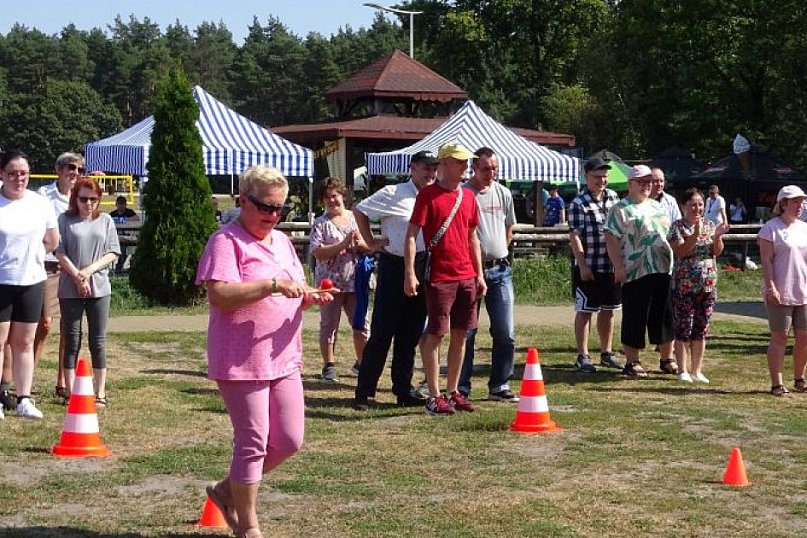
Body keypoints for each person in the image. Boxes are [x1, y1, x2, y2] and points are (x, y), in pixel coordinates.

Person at [196, 165, 334, 538]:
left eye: (280, 209)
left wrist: (309, 296)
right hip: (242, 360)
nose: (273, 216)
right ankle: (248, 526)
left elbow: (295, 287)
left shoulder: (283, 242)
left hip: (283, 357)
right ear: (242, 200)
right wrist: (271, 285)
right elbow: (220, 295)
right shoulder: (225, 241)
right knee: (253, 441)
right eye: (265, 207)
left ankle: (226, 491)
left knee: (289, 440)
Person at [404, 141, 486, 416]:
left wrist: (479, 274)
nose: (466, 167)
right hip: (440, 276)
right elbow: (411, 237)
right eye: (460, 162)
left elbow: (472, 237)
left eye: (466, 162)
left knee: (462, 334)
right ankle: (434, 395)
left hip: (466, 275)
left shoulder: (469, 197)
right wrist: (410, 273)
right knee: (436, 334)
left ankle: (453, 391)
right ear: (446, 163)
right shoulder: (427, 196)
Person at [351, 150, 438, 411]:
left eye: (434, 168)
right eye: (425, 168)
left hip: (423, 265)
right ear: (412, 168)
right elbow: (359, 210)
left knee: (410, 333)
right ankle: (364, 392)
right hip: (394, 264)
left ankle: (403, 389)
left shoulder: (435, 196)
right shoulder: (394, 192)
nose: (430, 173)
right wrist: (370, 242)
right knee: (382, 331)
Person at [0, 150, 59, 419]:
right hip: (2, 281)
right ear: (2, 174)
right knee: (0, 342)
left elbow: (52, 240)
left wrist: (32, 254)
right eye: (12, 173)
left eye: (23, 173)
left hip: (31, 280)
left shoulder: (40, 203)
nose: (18, 178)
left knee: (24, 343)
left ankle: (24, 398)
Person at [459, 147, 518, 402]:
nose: (490, 173)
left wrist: (500, 250)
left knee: (505, 331)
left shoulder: (503, 193)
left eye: (494, 168)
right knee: (467, 331)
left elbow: (509, 227)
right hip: (470, 270)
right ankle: (460, 387)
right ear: (474, 167)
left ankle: (500, 385)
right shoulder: (463, 193)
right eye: (485, 169)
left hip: (500, 269)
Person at [54, 177, 120, 405]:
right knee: (72, 338)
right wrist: (77, 275)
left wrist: (89, 271)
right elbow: (58, 251)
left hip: (99, 287)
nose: (89, 203)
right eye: (84, 199)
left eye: (94, 199)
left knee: (98, 340)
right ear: (75, 199)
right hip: (69, 287)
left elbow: (113, 252)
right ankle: (72, 392)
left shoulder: (106, 220)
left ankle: (100, 392)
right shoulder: (64, 219)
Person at [605, 165, 675, 378]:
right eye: (642, 182)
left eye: (649, 182)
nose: (647, 186)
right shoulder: (620, 208)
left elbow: (670, 233)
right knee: (636, 314)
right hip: (635, 269)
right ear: (630, 184)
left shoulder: (658, 206)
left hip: (662, 267)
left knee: (664, 314)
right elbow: (611, 237)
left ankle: (667, 358)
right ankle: (633, 360)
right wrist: (618, 266)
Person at [310, 177, 370, 382]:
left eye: (334, 196)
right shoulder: (320, 224)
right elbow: (317, 252)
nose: (332, 201)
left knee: (361, 323)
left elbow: (366, 244)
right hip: (330, 283)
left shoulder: (356, 217)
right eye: (327, 197)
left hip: (356, 280)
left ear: (342, 195)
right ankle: (329, 365)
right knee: (329, 324)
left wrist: (362, 244)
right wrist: (342, 244)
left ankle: (362, 363)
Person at [567, 157, 624, 373]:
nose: (601, 180)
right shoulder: (578, 203)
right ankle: (583, 355)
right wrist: (582, 265)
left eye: (604, 177)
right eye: (597, 177)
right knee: (585, 310)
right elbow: (575, 236)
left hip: (611, 265)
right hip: (589, 264)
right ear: (586, 177)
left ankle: (606, 352)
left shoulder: (614, 198)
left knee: (609, 310)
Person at [668, 188, 729, 383]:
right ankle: (682, 370)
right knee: (683, 327)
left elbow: (716, 252)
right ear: (683, 206)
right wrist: (695, 234)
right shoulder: (677, 227)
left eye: (700, 204)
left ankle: (697, 370)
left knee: (702, 328)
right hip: (685, 285)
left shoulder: (709, 224)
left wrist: (717, 236)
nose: (697, 208)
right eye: (692, 204)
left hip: (708, 284)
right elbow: (681, 252)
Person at [37, 152, 84, 400]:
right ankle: (26, 382)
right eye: (70, 167)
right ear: (59, 169)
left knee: (70, 328)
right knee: (44, 324)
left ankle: (63, 382)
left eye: (79, 168)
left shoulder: (81, 197)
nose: (75, 172)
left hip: (73, 266)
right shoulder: (44, 195)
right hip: (48, 265)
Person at [756, 185, 807, 397]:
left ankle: (799, 378)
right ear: (783, 204)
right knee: (780, 337)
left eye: (802, 201)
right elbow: (766, 261)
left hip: (803, 290)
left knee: (804, 337)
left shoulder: (804, 228)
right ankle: (776, 383)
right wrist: (771, 287)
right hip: (780, 289)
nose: (800, 206)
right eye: (795, 201)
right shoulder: (771, 228)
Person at [110, 195, 139, 273]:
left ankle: (124, 266)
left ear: (125, 205)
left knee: (130, 246)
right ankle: (119, 266)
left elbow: (137, 218)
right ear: (116, 204)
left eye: (123, 204)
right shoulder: (113, 214)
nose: (121, 206)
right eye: (119, 204)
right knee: (122, 247)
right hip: (117, 237)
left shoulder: (130, 212)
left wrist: (124, 219)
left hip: (128, 236)